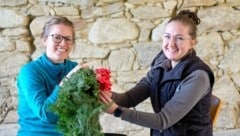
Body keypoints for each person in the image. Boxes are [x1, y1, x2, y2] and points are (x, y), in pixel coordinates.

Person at [100, 10, 215, 136]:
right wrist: (104, 95)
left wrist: (116, 111)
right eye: (167, 36)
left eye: (179, 38)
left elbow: (163, 121)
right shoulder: (160, 65)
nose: (171, 44)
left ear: (192, 43)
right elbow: (130, 99)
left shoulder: (198, 76)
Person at [17, 16, 82, 136]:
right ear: (44, 40)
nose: (63, 43)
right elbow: (46, 114)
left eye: (68, 39)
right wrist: (67, 81)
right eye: (57, 37)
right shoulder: (30, 72)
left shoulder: (74, 67)